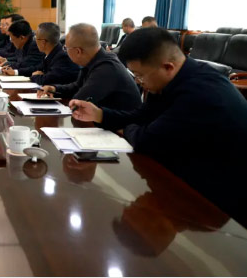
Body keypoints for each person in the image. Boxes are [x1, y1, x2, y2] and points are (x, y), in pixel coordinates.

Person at [69, 28, 247, 223]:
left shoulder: (201, 93)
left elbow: (146, 141)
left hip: (220, 199)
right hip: (187, 170)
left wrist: (126, 129)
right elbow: (140, 117)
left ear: (167, 67)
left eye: (140, 75)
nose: (139, 82)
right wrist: (100, 114)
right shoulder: (167, 80)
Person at [37, 23, 141, 110]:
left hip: (121, 127)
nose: (65, 51)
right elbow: (77, 86)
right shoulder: (95, 60)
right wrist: (54, 88)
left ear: (78, 51)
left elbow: (79, 100)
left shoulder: (106, 68)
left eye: (66, 48)